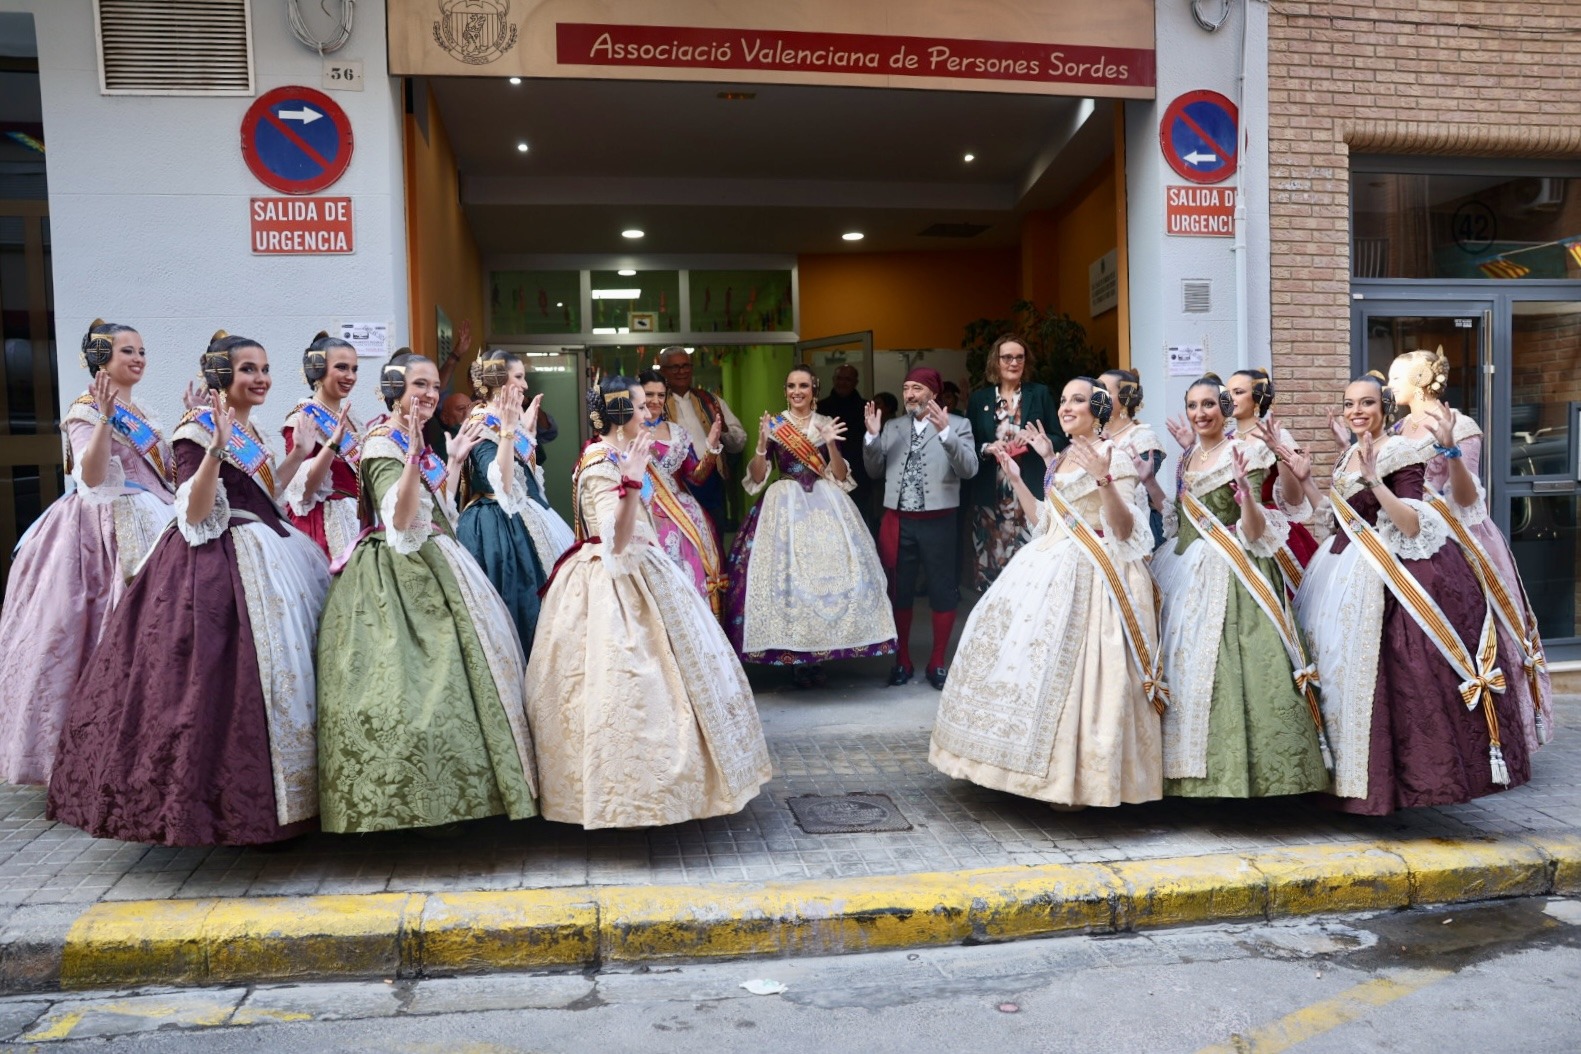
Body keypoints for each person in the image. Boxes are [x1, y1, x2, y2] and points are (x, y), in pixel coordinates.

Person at [47, 332, 330, 846]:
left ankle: (294, 802)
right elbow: (197, 515)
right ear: (222, 375)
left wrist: (300, 455)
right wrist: (216, 452)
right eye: (248, 369)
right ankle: (222, 814)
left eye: (264, 368)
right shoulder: (196, 431)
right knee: (212, 688)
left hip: (269, 553)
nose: (261, 378)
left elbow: (267, 495)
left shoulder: (249, 428)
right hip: (215, 570)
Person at [526, 376, 771, 829]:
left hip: (645, 568)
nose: (649, 415)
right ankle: (629, 797)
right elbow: (615, 544)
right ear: (621, 415)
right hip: (614, 582)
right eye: (640, 408)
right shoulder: (603, 462)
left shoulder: (621, 452)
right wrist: (633, 484)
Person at [316, 351, 540, 833]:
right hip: (398, 574)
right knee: (412, 684)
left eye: (434, 386)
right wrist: (417, 458)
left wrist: (452, 459)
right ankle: (411, 804)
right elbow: (400, 521)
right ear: (392, 390)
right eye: (419, 385)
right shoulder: (381, 442)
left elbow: (442, 506)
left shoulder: (418, 437)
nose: (429, 394)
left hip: (443, 556)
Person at [1291, 373, 1532, 814]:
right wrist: (1307, 482)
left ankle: (1384, 787)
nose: (1356, 411)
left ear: (1385, 407)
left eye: (1366, 403)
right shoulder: (1349, 453)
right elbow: (1337, 519)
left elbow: (1411, 525)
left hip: (1383, 575)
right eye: (1349, 404)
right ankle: (1336, 779)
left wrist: (1375, 481)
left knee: (1387, 679)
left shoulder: (1399, 451)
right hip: (1338, 572)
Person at [931, 379, 1164, 807]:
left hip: (1094, 575)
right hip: (1047, 562)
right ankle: (1016, 768)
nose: (1065, 407)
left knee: (1082, 678)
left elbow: (1126, 530)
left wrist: (1106, 480)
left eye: (1077, 400)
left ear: (1098, 408)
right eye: (1062, 400)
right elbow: (1045, 520)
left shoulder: (1116, 456)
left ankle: (1075, 783)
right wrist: (1019, 479)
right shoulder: (1059, 461)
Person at [0, 320, 178, 786]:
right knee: (96, 629)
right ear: (102, 360)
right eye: (126, 352)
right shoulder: (84, 410)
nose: (137, 358)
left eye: (141, 351)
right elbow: (94, 477)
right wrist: (103, 418)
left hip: (155, 516)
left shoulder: (145, 413)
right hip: (103, 529)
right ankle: (92, 749)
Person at [1150, 375, 1329, 799]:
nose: (1200, 413)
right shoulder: (1188, 457)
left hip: (1237, 569)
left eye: (1209, 404)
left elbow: (1256, 529)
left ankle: (1255, 779)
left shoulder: (1244, 452)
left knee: (1243, 666)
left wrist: (1248, 497)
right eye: (1193, 405)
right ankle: (1187, 778)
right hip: (1187, 570)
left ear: (1225, 408)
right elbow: (1180, 520)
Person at [1385, 346, 1553, 751]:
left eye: (1395, 378)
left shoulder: (1460, 424)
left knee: (1479, 630)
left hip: (1460, 540)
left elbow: (1464, 498)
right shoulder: (1394, 431)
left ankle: (1495, 735)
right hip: (1403, 539)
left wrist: (1450, 451)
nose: (1390, 386)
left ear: (1421, 379)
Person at [726, 365, 897, 688]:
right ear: (785, 390)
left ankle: (821, 653)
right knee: (787, 581)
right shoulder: (774, 424)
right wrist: (762, 444)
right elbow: (759, 477)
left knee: (829, 581)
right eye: (791, 386)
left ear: (814, 390)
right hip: (784, 501)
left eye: (803, 385)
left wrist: (832, 444)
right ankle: (794, 655)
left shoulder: (826, 424)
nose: (796, 391)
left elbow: (841, 476)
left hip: (826, 502)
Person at [862, 366, 979, 689]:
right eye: (906, 389)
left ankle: (937, 662)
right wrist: (872, 436)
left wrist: (946, 435)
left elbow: (969, 470)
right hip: (898, 520)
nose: (910, 395)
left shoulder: (959, 424)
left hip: (939, 521)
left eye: (917, 388)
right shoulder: (893, 426)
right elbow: (873, 471)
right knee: (899, 590)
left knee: (942, 590)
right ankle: (902, 660)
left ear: (933, 393)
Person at [454, 349, 555, 654]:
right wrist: (511, 430)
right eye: (519, 377)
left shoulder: (503, 418)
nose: (525, 386)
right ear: (499, 380)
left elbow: (529, 478)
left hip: (524, 517)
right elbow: (501, 482)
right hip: (497, 529)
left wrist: (525, 430)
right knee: (516, 606)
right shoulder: (482, 421)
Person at [966, 335, 1063, 590]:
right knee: (992, 566)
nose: (1014, 362)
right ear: (995, 362)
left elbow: (1060, 438)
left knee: (1033, 567)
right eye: (1007, 357)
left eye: (1019, 357)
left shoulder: (1039, 394)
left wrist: (1035, 438)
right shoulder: (980, 400)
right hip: (991, 495)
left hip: (1029, 494)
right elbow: (968, 445)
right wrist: (987, 447)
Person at [638, 369, 727, 614]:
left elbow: (695, 477)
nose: (655, 400)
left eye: (660, 395)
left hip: (681, 513)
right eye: (649, 394)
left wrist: (711, 447)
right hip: (640, 512)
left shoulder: (677, 433)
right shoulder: (625, 431)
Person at [1225, 367, 1320, 567]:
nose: (1230, 398)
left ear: (1258, 397)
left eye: (1238, 392)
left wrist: (1277, 450)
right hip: (1230, 529)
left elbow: (1294, 498)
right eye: (1228, 393)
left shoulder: (1278, 436)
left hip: (1268, 527)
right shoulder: (1224, 441)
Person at [283, 331, 362, 560]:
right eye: (342, 367)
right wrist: (332, 445)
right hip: (324, 523)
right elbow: (303, 490)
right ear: (318, 370)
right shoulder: (302, 419)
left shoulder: (352, 419)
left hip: (359, 517)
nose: (350, 376)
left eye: (354, 369)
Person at [659, 346, 747, 537]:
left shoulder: (710, 401)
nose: (681, 371)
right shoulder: (656, 404)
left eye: (685, 366)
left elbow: (738, 443)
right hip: (675, 485)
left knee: (715, 539)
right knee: (682, 542)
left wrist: (723, 427)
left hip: (711, 484)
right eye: (674, 367)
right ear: (663, 371)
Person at [1098, 368, 1168, 551]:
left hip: (1134, 524)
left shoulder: (1143, 438)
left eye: (1104, 391)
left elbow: (1135, 482)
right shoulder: (1094, 436)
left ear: (1124, 399)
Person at [818, 363, 875, 527]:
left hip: (859, 476)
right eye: (839, 378)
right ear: (833, 380)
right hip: (826, 475)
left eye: (848, 379)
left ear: (856, 382)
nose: (842, 383)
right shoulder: (820, 408)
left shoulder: (866, 408)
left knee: (859, 522)